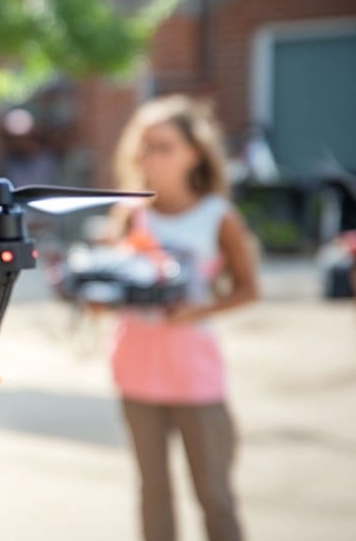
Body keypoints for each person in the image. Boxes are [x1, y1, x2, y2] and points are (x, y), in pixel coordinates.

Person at [106, 95, 259, 541]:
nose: (149, 157)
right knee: (152, 492)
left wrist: (198, 311)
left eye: (163, 146)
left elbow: (249, 289)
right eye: (144, 146)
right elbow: (110, 284)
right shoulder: (128, 214)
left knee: (214, 494)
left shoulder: (218, 216)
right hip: (135, 370)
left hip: (194, 374)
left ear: (194, 153)